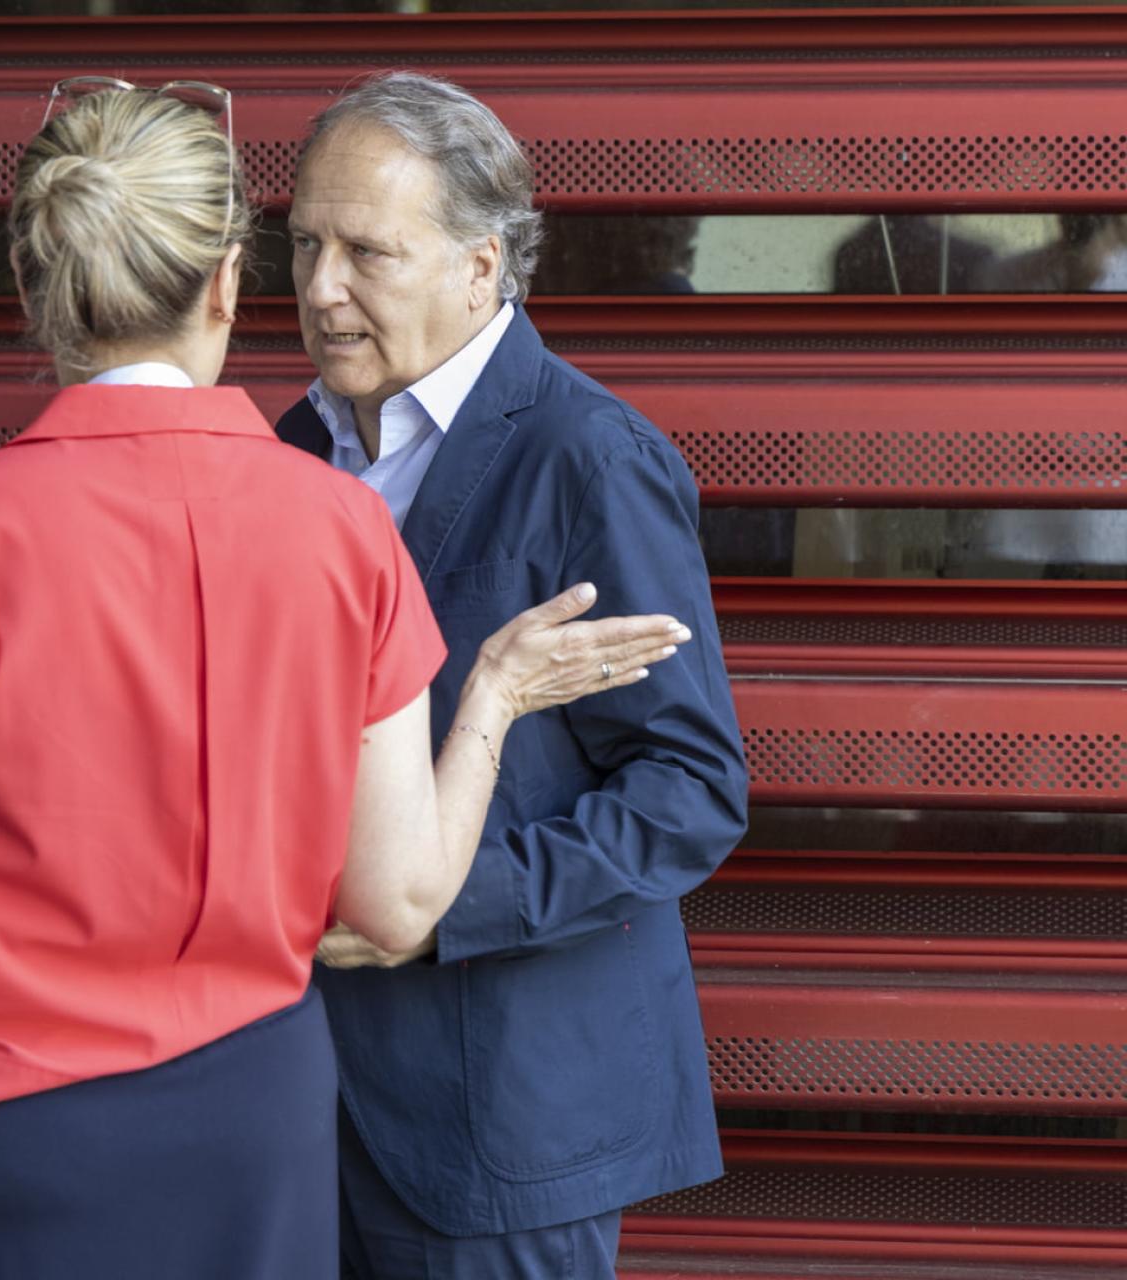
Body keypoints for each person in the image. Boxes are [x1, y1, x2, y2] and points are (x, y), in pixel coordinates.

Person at [0, 82, 689, 1279]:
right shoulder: (346, 527)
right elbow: (395, 901)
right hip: (245, 1135)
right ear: (231, 282)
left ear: (33, 282)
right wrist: (490, 697)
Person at [276, 72, 749, 1280]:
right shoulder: (289, 450)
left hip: (501, 1125)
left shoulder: (590, 458)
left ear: (481, 265)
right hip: (291, 1105)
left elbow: (689, 791)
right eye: (306, 245)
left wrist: (439, 903)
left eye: (368, 252)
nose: (321, 288)